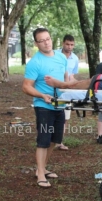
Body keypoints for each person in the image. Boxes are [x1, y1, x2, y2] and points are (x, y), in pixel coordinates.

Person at [22, 28, 68, 188]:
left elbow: (67, 79)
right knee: (43, 140)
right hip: (44, 106)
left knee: (55, 140)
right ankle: (40, 173)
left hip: (60, 104)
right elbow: (26, 87)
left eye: (47, 39)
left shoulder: (61, 57)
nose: (46, 43)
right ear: (36, 43)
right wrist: (42, 96)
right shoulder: (35, 62)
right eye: (41, 40)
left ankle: (42, 168)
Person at [55, 34, 79, 151]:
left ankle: (59, 141)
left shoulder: (75, 58)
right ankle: (48, 140)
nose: (69, 47)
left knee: (65, 117)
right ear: (63, 43)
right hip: (53, 89)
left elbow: (72, 75)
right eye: (67, 44)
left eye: (72, 45)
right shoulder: (54, 55)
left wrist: (77, 84)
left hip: (67, 91)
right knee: (52, 115)